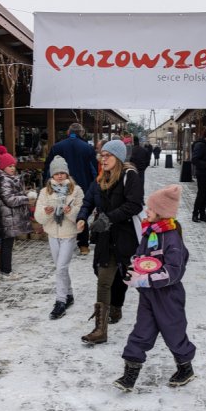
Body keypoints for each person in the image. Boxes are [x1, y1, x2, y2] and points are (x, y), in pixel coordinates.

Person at [113, 184, 196, 392]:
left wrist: (146, 280)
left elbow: (174, 271)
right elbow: (141, 256)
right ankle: (129, 375)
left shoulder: (172, 238)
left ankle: (185, 368)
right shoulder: (150, 231)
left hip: (168, 296)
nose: (146, 211)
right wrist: (134, 268)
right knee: (141, 332)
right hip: (149, 296)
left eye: (150, 209)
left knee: (174, 333)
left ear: (161, 212)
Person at [77, 140, 143, 344]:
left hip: (125, 238)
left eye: (108, 155)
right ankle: (100, 330)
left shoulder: (129, 176)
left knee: (129, 277)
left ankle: (122, 307)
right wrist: (82, 216)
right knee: (103, 278)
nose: (103, 159)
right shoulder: (99, 179)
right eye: (101, 155)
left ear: (119, 158)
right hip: (105, 239)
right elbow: (88, 200)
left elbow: (134, 205)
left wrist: (108, 218)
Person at [35, 156, 84, 319]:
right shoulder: (45, 192)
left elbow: (81, 213)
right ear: (52, 175)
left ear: (67, 174)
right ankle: (69, 294)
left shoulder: (76, 190)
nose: (60, 176)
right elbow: (38, 216)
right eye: (57, 173)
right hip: (52, 233)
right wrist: (46, 212)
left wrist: (71, 212)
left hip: (68, 234)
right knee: (60, 268)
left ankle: (60, 301)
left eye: (63, 172)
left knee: (61, 268)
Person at [44, 123, 98, 255]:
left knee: (60, 211)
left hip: (60, 184)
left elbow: (48, 168)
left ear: (68, 132)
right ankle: (83, 245)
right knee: (81, 212)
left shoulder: (57, 147)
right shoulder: (88, 148)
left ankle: (62, 243)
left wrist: (47, 185)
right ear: (82, 133)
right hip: (83, 185)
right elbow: (94, 170)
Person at [0, 145, 32, 281]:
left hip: (9, 217)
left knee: (7, 244)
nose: (13, 168)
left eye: (14, 165)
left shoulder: (8, 179)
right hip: (6, 217)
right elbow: (10, 200)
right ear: (2, 168)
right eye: (9, 166)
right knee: (7, 245)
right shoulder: (3, 180)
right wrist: (27, 198)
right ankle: (5, 272)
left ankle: (5, 271)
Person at [191, 128, 206, 222]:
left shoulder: (205, 145)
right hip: (202, 173)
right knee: (201, 194)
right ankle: (195, 214)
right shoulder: (200, 145)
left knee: (205, 193)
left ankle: (202, 213)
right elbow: (194, 159)